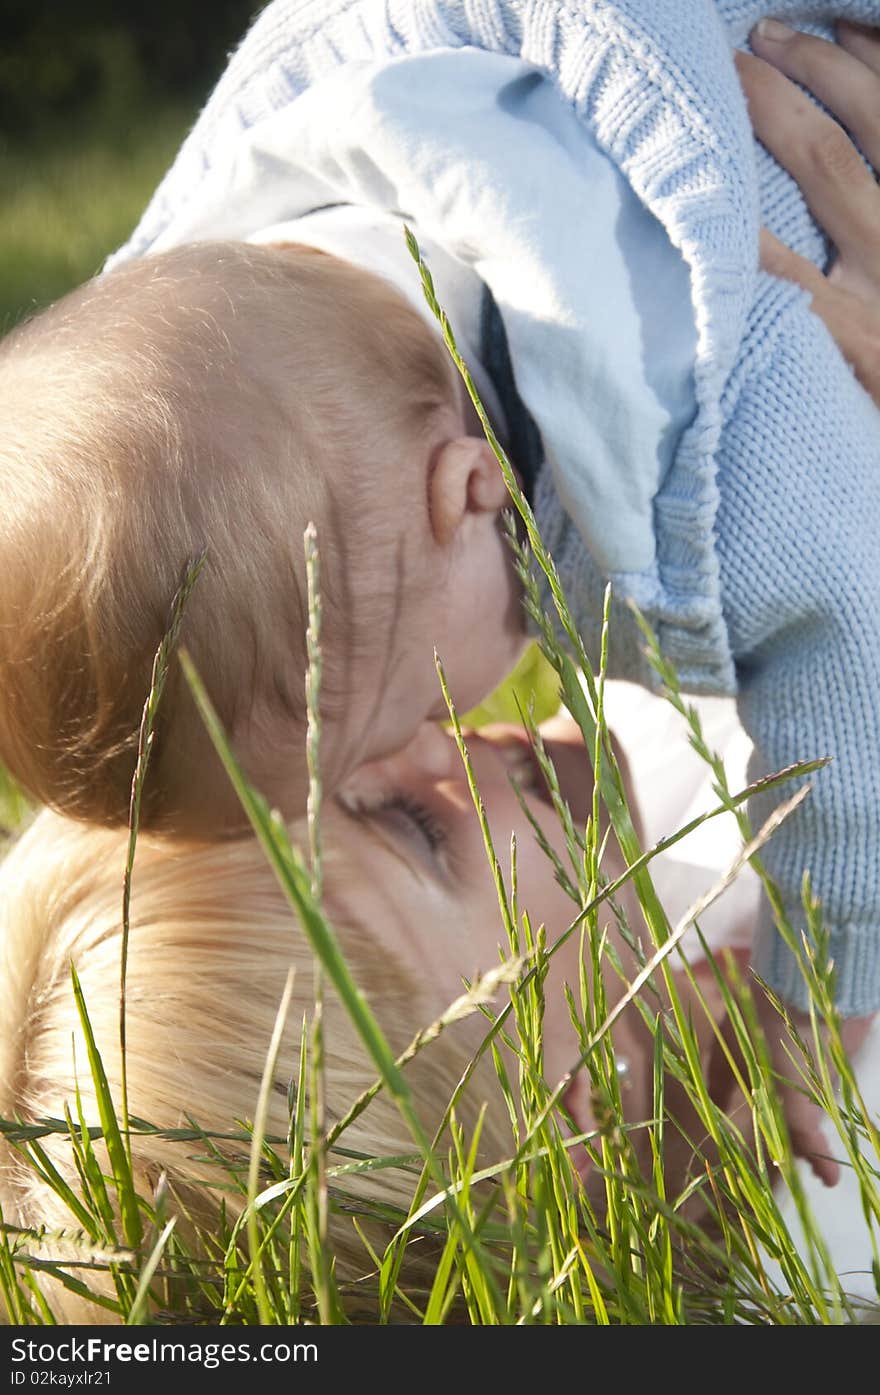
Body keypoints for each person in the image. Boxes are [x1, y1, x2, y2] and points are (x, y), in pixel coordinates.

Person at [0, 2, 878, 1184]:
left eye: (354, 771)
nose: (437, 751)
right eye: (403, 821)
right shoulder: (292, 264)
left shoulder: (681, 435)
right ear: (548, 1108)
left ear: (464, 494)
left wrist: (820, 998)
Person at [0, 713, 744, 1323]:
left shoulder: (668, 705)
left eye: (330, 734)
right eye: (415, 823)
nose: (417, 724)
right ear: (562, 1113)